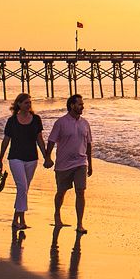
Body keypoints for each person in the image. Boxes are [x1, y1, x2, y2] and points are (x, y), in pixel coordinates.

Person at [0, 93, 50, 231]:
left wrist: (46, 157)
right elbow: (6, 141)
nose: (29, 105)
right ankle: (22, 219)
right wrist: (0, 159)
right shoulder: (12, 121)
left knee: (24, 189)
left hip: (32, 158)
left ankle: (15, 219)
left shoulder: (36, 119)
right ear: (19, 104)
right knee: (22, 187)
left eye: (30, 102)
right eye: (26, 102)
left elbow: (39, 139)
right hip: (15, 157)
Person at [46, 93, 93, 233]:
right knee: (61, 192)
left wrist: (90, 164)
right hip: (63, 164)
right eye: (79, 104)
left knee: (80, 191)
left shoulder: (85, 123)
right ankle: (57, 214)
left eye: (82, 104)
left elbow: (89, 144)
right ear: (71, 105)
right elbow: (51, 141)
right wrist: (47, 157)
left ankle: (79, 224)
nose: (82, 107)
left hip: (81, 162)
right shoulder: (60, 122)